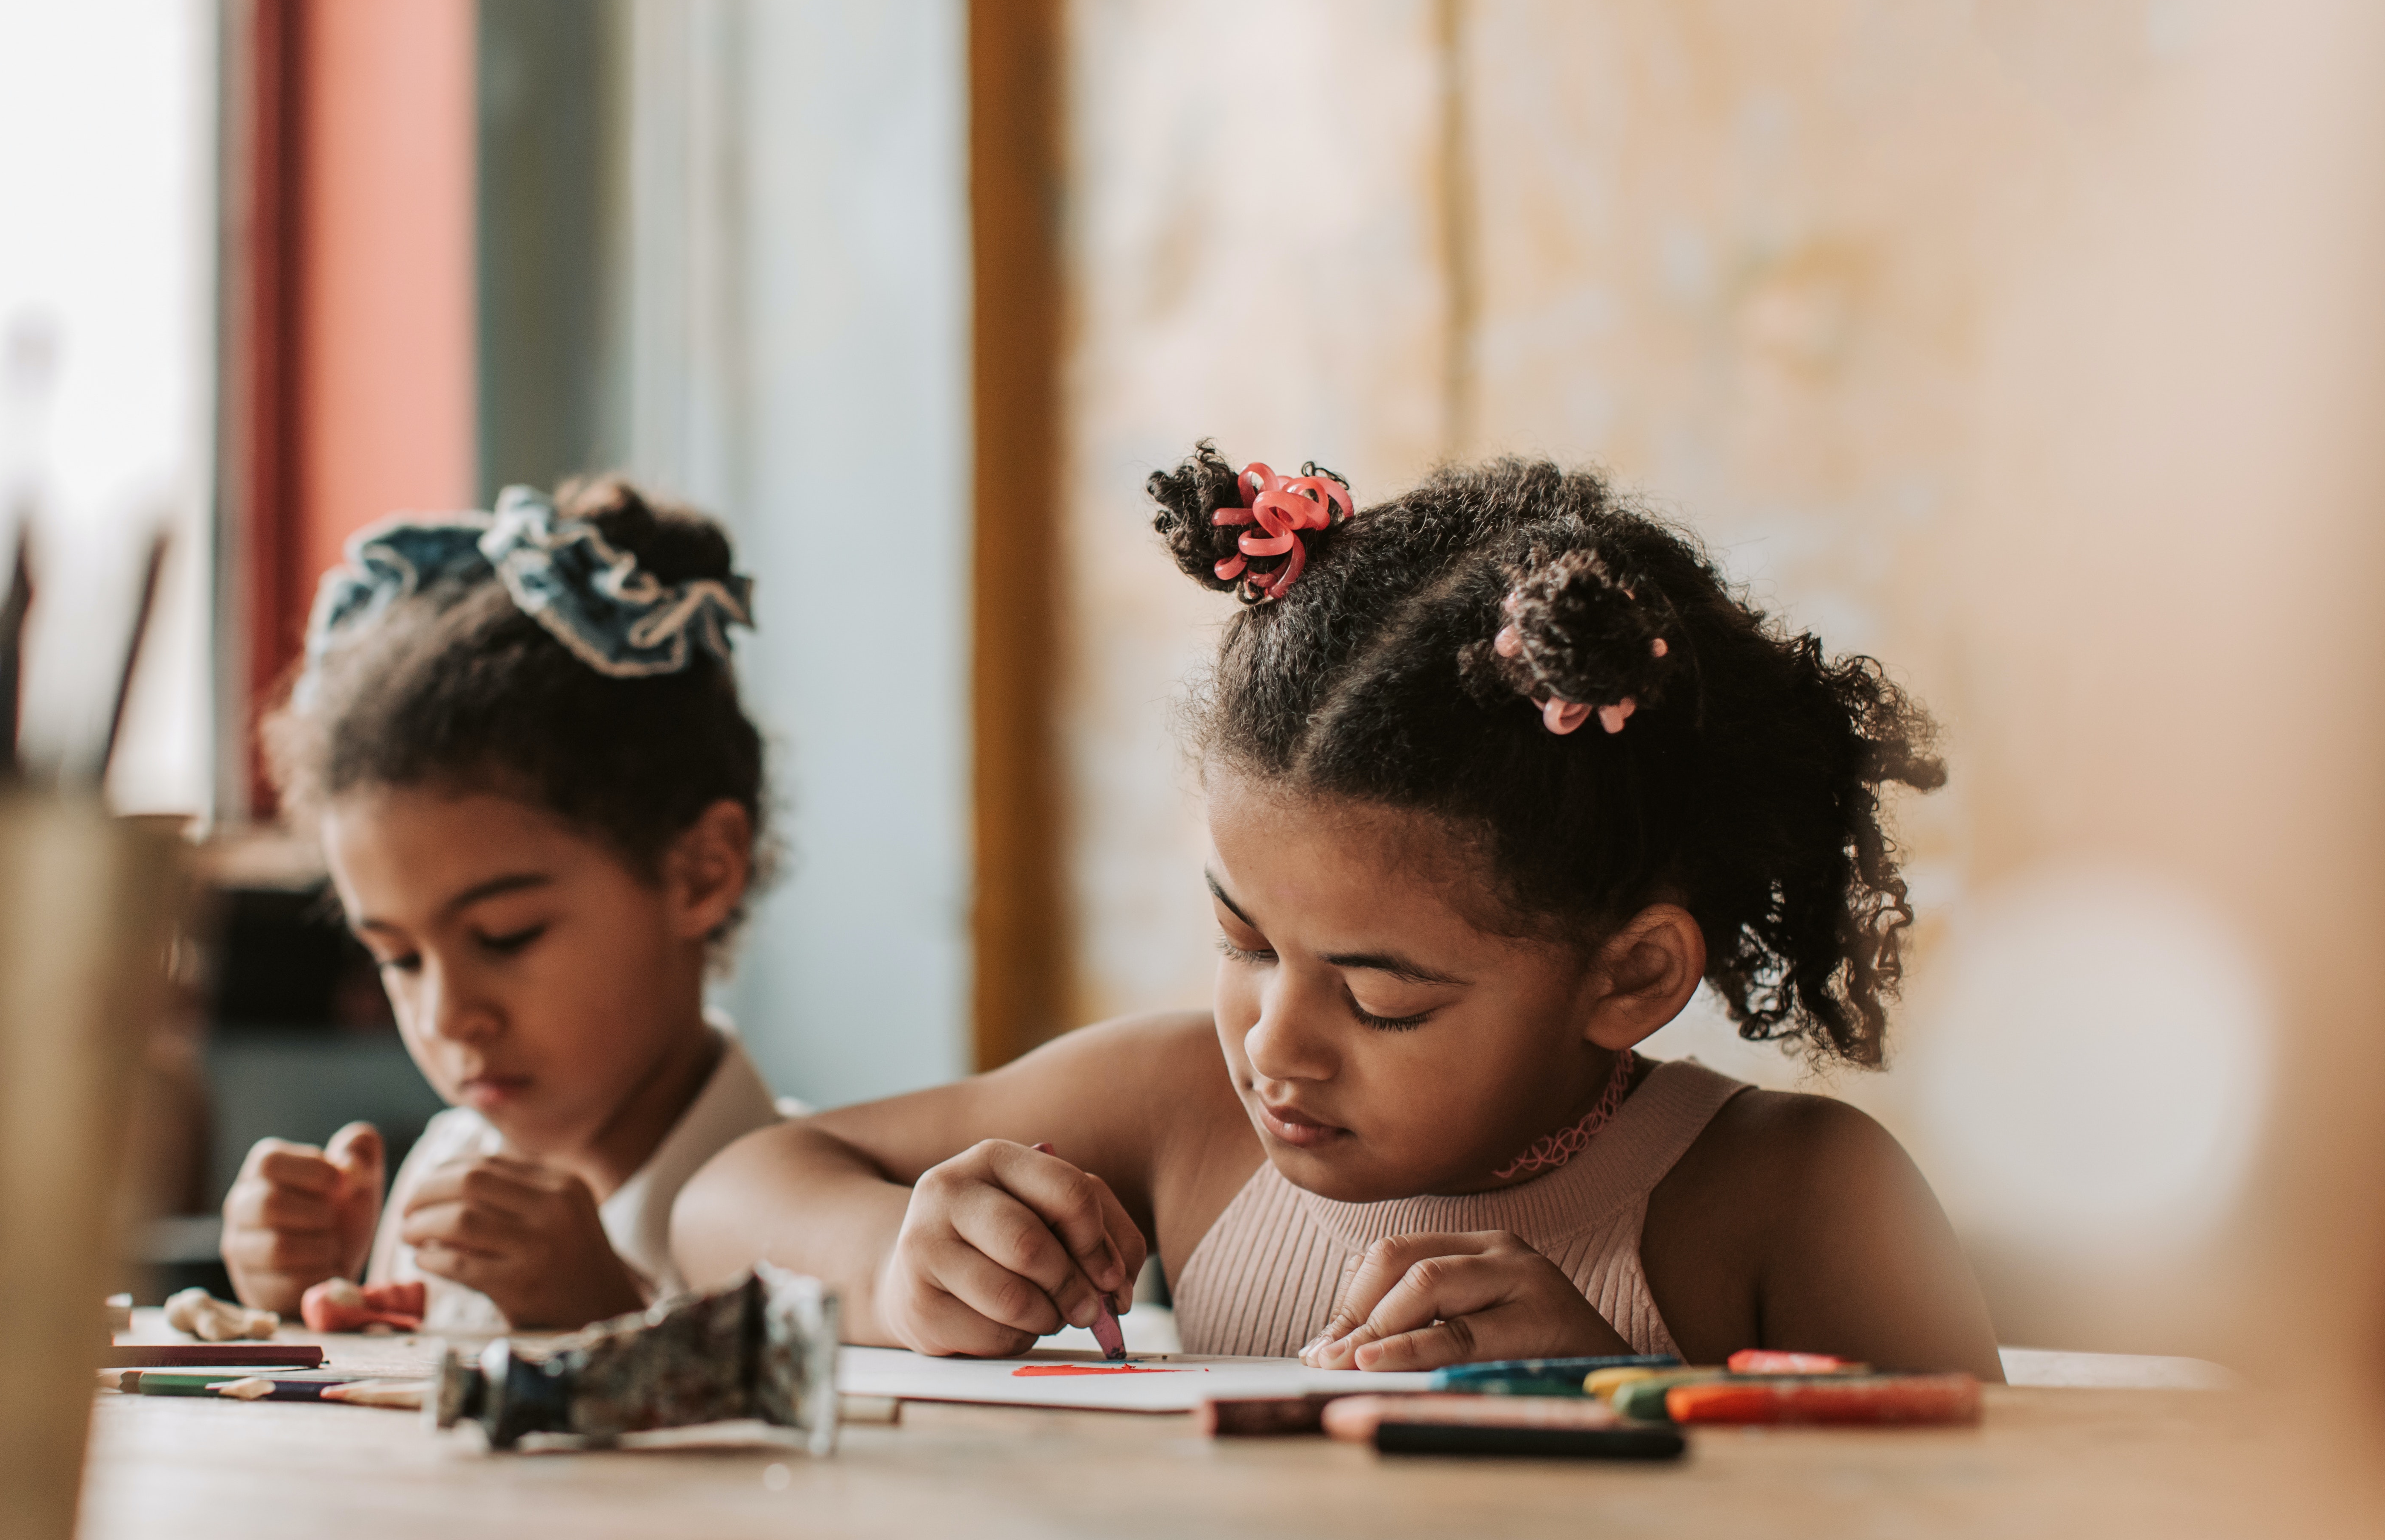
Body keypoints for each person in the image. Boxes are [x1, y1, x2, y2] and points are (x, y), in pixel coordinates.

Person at [672, 449, 2000, 1375]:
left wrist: (1603, 1393)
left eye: (1381, 999)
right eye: (1242, 941)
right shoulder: (1179, 1108)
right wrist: (901, 1268)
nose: (1274, 1045)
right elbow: (728, 1196)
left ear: (1632, 976)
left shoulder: (1791, 1199)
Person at [220, 478, 792, 1334]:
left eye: (504, 936)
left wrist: (605, 1329)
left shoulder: (816, 1216)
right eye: (400, 958)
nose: (448, 1016)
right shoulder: (442, 1176)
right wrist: (301, 1304)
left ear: (701, 872)